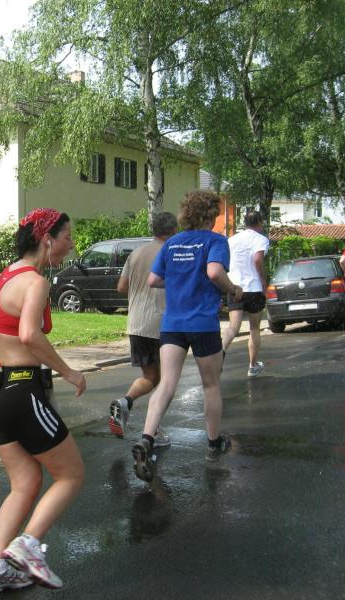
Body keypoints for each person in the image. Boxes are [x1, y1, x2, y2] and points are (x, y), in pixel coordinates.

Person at [0, 208, 86, 593]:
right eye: (67, 237)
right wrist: (69, 372)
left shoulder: (5, 275)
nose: (71, 245)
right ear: (47, 239)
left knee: (26, 482)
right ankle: (28, 546)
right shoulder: (35, 282)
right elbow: (30, 335)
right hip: (19, 391)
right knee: (71, 475)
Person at [132, 190, 242, 482]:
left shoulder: (172, 243)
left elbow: (153, 280)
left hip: (173, 324)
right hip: (202, 323)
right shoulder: (215, 241)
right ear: (209, 215)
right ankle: (213, 444)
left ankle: (146, 438)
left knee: (166, 384)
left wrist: (179, 281)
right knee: (211, 384)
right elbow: (214, 272)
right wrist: (232, 289)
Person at [108, 211, 177, 443]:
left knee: (150, 377)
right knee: (165, 382)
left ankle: (124, 402)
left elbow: (121, 287)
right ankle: (153, 432)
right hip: (162, 323)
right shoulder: (171, 252)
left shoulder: (136, 253)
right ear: (173, 230)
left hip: (136, 323)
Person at [221, 210, 270, 376]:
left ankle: (221, 350)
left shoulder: (232, 240)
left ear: (245, 223)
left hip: (235, 288)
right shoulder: (261, 239)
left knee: (233, 327)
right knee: (254, 328)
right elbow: (257, 260)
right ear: (260, 222)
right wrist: (263, 281)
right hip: (254, 288)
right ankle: (252, 366)